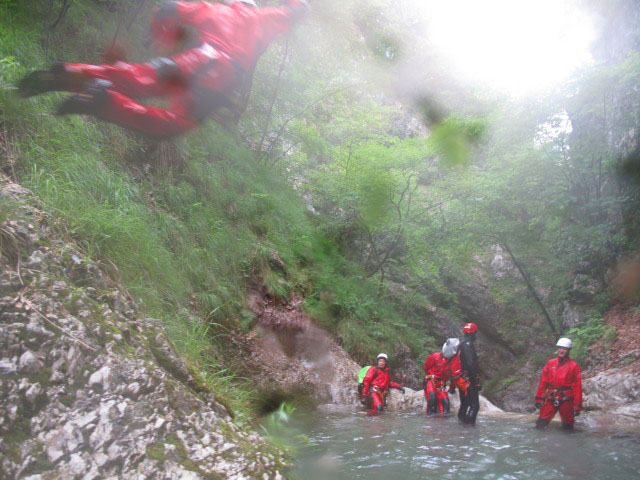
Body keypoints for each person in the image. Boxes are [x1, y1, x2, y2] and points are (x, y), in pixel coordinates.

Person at [17, 0, 308, 138]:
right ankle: (101, 101)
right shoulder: (262, 18)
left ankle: (69, 72)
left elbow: (168, 8)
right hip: (221, 79)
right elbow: (296, 12)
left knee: (139, 79)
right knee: (171, 124)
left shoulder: (218, 8)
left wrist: (161, 35)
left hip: (197, 58)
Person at [534, 337, 582, 430]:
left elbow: (577, 386)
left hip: (566, 398)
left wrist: (577, 406)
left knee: (568, 426)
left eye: (564, 348)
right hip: (550, 395)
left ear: (568, 350)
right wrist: (539, 399)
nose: (561, 350)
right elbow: (543, 382)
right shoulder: (550, 363)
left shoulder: (574, 366)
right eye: (560, 348)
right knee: (541, 423)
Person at [423, 338, 466, 415]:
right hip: (430, 379)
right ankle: (429, 419)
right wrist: (428, 377)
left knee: (445, 403)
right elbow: (426, 367)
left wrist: (452, 388)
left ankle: (442, 423)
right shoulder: (434, 357)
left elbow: (454, 377)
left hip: (441, 384)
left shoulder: (452, 364)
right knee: (432, 398)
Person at [458, 322, 481, 426]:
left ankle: (461, 425)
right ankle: (468, 428)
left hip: (461, 378)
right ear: (472, 333)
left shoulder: (461, 344)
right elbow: (470, 364)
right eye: (475, 333)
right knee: (474, 406)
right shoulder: (468, 345)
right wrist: (475, 379)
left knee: (465, 404)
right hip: (468, 379)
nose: (476, 335)